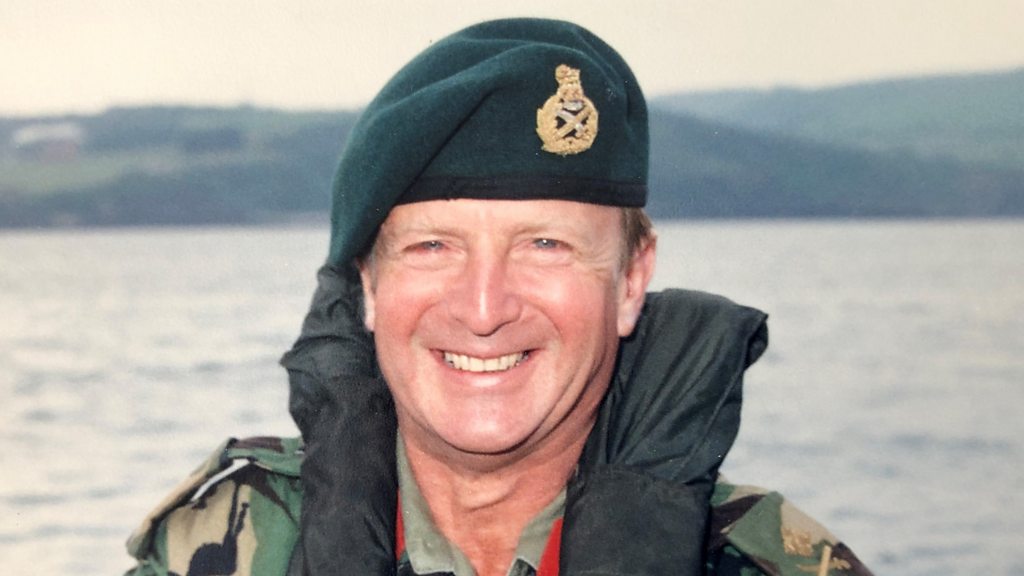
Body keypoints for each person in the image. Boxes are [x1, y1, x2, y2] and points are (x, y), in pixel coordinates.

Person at [125, 19, 872, 576]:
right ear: (368, 287)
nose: (484, 310)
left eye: (545, 245)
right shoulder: (223, 545)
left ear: (630, 280)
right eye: (433, 247)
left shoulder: (779, 564)